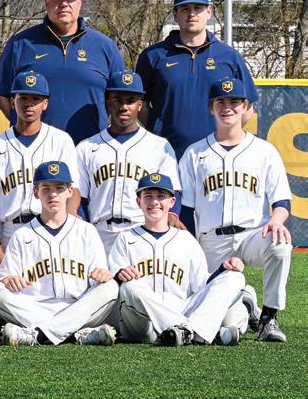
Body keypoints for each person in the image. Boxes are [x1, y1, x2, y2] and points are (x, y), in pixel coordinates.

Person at [178, 78, 292, 342]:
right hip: (210, 240)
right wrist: (191, 248)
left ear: (246, 107)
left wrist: (277, 220)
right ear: (211, 107)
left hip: (252, 235)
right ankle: (245, 300)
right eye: (221, 102)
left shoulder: (264, 151)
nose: (227, 107)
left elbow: (282, 202)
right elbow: (186, 210)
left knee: (280, 244)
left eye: (234, 102)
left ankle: (268, 318)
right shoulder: (195, 154)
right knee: (221, 316)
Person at [110, 173, 247, 346]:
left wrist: (223, 270)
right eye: (148, 196)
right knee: (129, 286)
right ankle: (196, 331)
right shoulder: (125, 238)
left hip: (181, 313)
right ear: (139, 202)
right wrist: (120, 276)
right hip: (142, 323)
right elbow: (116, 288)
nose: (154, 202)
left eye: (161, 196)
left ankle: (189, 332)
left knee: (235, 277)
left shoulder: (186, 240)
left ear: (172, 202)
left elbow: (201, 285)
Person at [0, 161, 119, 346]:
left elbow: (99, 277)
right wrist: (8, 279)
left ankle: (38, 335)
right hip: (34, 309)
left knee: (110, 287)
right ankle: (75, 335)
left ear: (70, 191)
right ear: (36, 192)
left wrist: (102, 275)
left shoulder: (87, 231)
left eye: (59, 188)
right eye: (46, 188)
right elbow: (5, 278)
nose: (53, 194)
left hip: (78, 307)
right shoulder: (22, 234)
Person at [0, 0, 124, 143]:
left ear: (80, 3)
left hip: (91, 147)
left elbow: (120, 98)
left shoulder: (105, 46)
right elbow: (3, 95)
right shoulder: (20, 44)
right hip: (35, 148)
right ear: (46, 2)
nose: (64, 4)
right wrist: (26, 127)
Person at [135, 0, 260, 156]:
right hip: (166, 154)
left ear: (209, 12)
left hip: (215, 155)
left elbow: (247, 108)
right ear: (175, 14)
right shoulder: (153, 56)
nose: (192, 14)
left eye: (197, 8)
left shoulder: (229, 56)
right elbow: (139, 104)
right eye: (185, 8)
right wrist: (158, 131)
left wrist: (224, 137)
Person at [0, 71, 80, 256]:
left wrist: (69, 227)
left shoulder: (61, 141)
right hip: (11, 230)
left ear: (45, 103)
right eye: (23, 97)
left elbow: (73, 191)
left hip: (52, 227)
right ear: (12, 101)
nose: (29, 104)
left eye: (36, 98)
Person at [75, 71, 180, 250]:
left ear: (140, 105)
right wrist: (84, 229)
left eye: (130, 100)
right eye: (117, 100)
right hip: (98, 233)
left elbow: (174, 191)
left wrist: (172, 215)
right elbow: (80, 198)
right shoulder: (86, 147)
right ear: (108, 102)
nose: (124, 107)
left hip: (141, 231)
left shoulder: (159, 146)